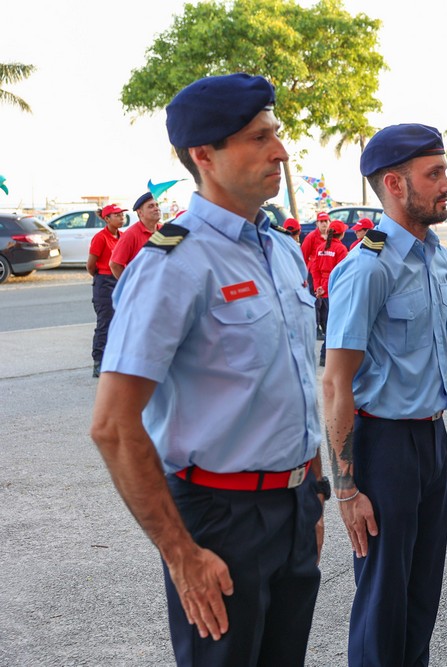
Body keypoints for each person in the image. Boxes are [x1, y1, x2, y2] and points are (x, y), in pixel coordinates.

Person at [90, 73, 326, 666]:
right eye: (258, 138)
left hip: (293, 508)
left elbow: (294, 385)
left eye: (276, 133)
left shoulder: (282, 250)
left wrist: (313, 493)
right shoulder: (175, 262)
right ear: (205, 156)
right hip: (219, 519)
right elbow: (114, 426)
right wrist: (181, 554)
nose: (281, 150)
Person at [322, 123, 447, 667]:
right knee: (383, 599)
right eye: (436, 174)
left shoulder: (433, 254)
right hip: (383, 448)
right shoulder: (367, 268)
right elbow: (336, 383)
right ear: (396, 186)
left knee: (422, 596)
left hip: (432, 440)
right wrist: (348, 491)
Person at [86, 204, 125, 378]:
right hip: (104, 281)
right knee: (105, 322)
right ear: (107, 219)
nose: (121, 218)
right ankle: (99, 362)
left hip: (120, 280)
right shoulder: (100, 238)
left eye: (122, 215)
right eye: (116, 215)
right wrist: (100, 277)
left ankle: (116, 360)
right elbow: (90, 265)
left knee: (121, 322)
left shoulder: (123, 236)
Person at [311, 220, 348, 367]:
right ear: (342, 234)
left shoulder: (320, 248)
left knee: (329, 325)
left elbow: (315, 270)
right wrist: (325, 288)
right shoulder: (341, 250)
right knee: (334, 325)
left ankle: (324, 357)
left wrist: (319, 287)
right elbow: (340, 273)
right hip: (335, 291)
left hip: (323, 291)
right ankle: (326, 356)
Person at [109, 191, 161, 278]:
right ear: (140, 212)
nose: (156, 209)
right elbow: (115, 265)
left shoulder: (164, 230)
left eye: (157, 205)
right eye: (151, 206)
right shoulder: (131, 234)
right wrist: (129, 284)